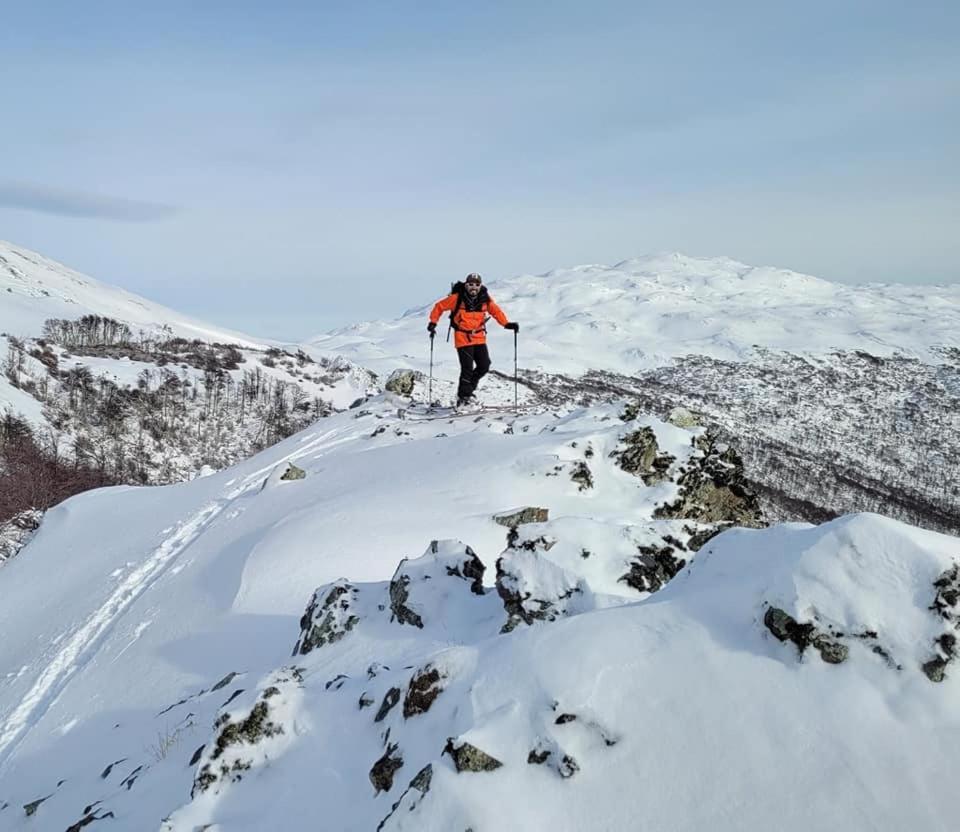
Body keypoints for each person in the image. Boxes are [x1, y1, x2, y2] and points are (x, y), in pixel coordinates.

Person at [427, 272, 519, 406]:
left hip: (479, 337)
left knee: (484, 365)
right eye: (470, 284)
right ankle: (463, 398)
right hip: (462, 337)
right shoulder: (457, 298)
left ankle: (469, 391)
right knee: (467, 368)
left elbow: (496, 311)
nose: (473, 287)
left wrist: (506, 324)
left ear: (480, 285)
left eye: (476, 284)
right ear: (466, 285)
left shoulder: (485, 298)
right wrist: (433, 322)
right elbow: (439, 307)